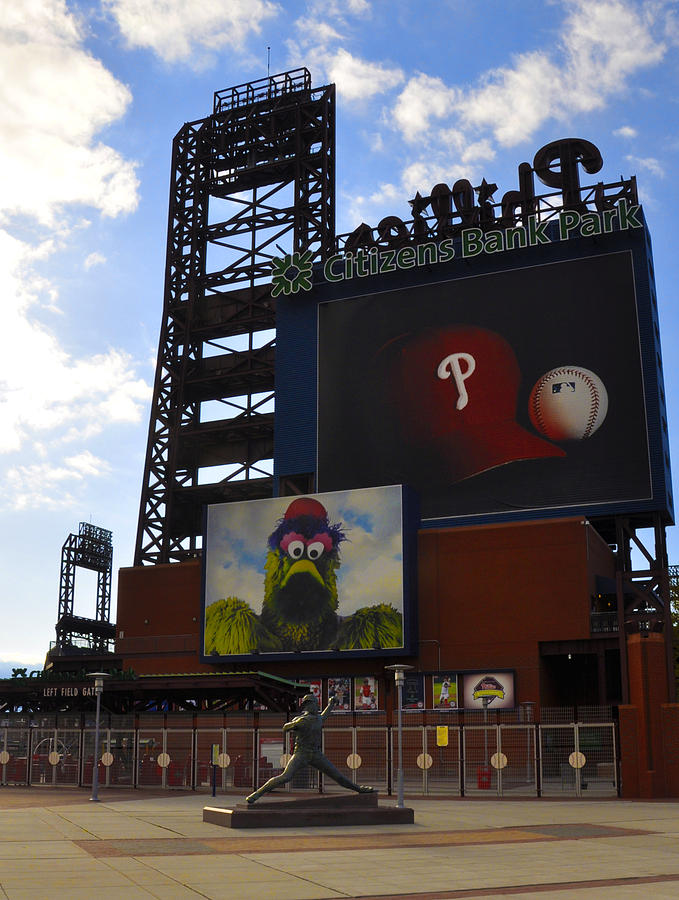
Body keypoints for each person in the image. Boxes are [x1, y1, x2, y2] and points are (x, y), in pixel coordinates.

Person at [246, 694, 374, 803]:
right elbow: (285, 727)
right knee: (286, 777)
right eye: (315, 704)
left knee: (337, 775)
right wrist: (294, 724)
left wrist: (331, 703)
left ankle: (359, 789)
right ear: (308, 705)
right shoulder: (301, 719)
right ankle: (257, 794)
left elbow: (325, 714)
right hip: (301, 753)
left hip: (316, 754)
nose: (317, 706)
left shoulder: (318, 718)